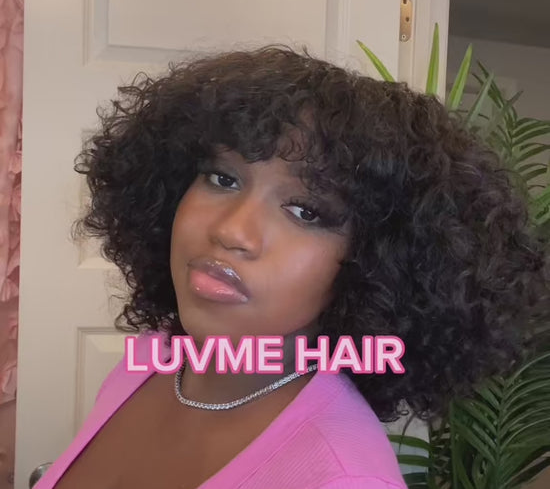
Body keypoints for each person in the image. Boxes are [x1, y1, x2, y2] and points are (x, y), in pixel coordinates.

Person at [35, 45, 547, 489]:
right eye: (222, 178)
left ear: (377, 263)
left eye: (306, 211)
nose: (232, 230)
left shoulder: (342, 479)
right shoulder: (157, 356)